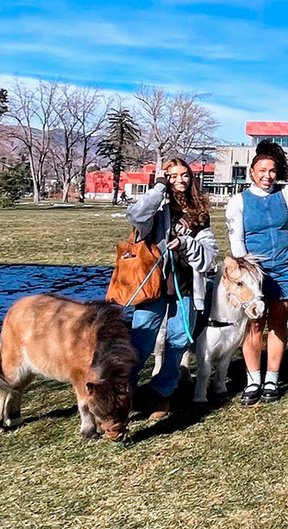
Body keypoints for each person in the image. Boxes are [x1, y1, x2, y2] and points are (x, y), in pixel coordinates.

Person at [225, 140, 288, 405]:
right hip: (255, 274)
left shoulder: (287, 193)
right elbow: (237, 242)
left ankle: (272, 378)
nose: (267, 176)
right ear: (252, 173)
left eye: (272, 171)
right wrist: (248, 274)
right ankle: (253, 379)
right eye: (262, 171)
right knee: (254, 325)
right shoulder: (238, 201)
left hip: (285, 268)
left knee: (278, 324)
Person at [125, 158, 219, 419]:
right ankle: (124, 392)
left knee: (177, 341)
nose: (180, 179)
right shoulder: (156, 210)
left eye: (184, 175)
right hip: (152, 287)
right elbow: (134, 215)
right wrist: (157, 188)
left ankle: (161, 394)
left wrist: (187, 244)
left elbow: (210, 254)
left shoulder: (199, 214)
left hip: (186, 287)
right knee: (141, 342)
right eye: (173, 175)